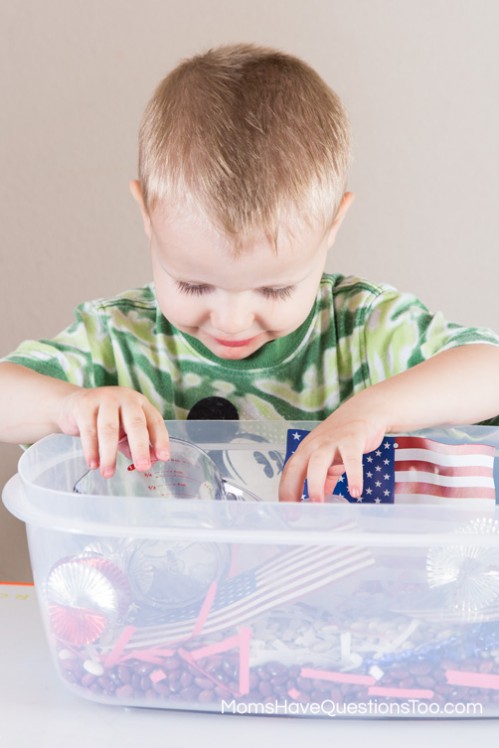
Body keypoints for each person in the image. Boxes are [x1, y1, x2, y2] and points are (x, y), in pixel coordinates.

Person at [1, 43, 499, 503]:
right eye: (194, 285)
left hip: (344, 595)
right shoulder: (117, 340)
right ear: (147, 217)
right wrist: (70, 406)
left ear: (333, 225)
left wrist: (373, 412)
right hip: (158, 597)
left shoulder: (361, 329)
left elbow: (489, 368)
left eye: (276, 288)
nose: (234, 321)